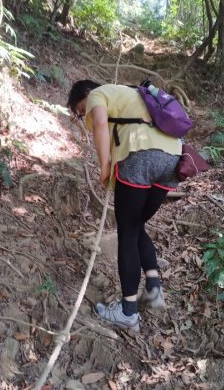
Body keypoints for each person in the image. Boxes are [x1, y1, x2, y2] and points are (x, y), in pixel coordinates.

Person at [67, 80, 182, 331]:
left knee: (127, 233)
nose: (82, 115)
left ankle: (128, 311)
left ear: (86, 94)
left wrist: (105, 167)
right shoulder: (133, 95)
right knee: (136, 225)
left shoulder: (98, 94)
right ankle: (153, 287)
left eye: (80, 109)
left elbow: (99, 125)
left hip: (142, 157)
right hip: (174, 159)